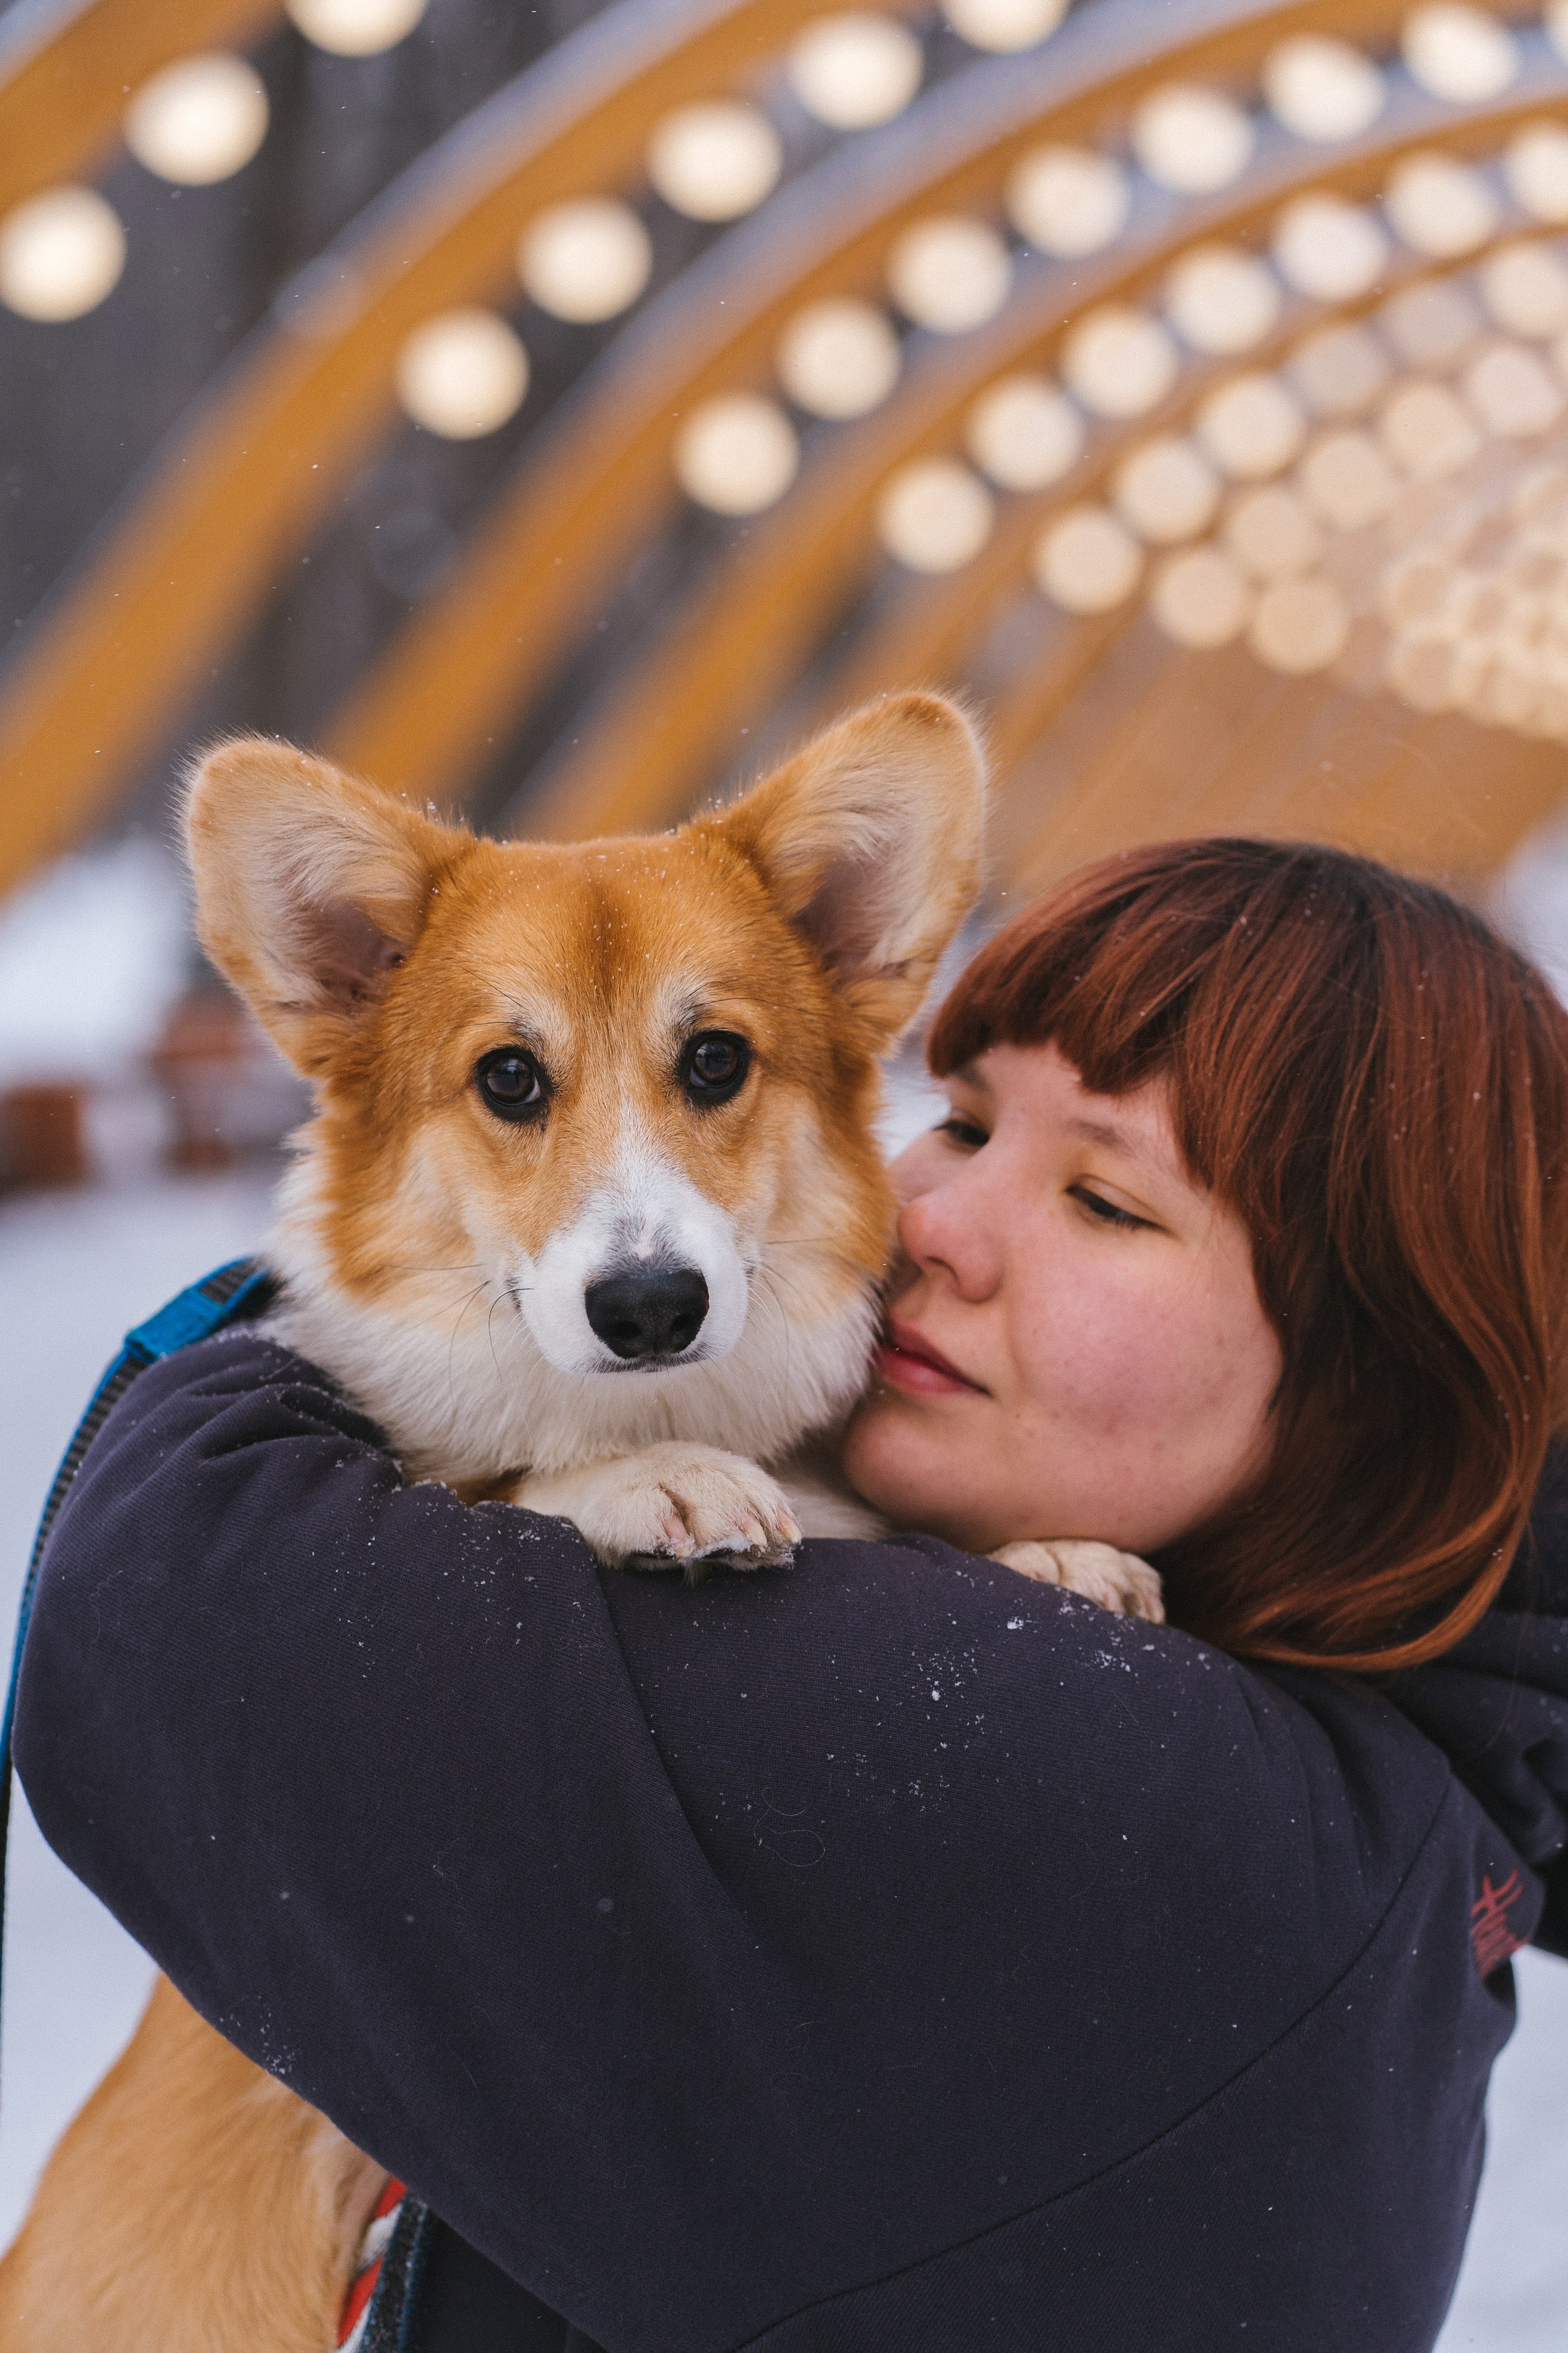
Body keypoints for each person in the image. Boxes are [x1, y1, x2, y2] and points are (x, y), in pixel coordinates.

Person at [15, 837, 1568, 2353]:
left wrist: (274, 1366)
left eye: (1106, 1203)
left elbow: (177, 1593)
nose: (929, 1224)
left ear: (1371, 1398)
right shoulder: (1400, 1816)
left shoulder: (1163, 1827)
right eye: (958, 1122)